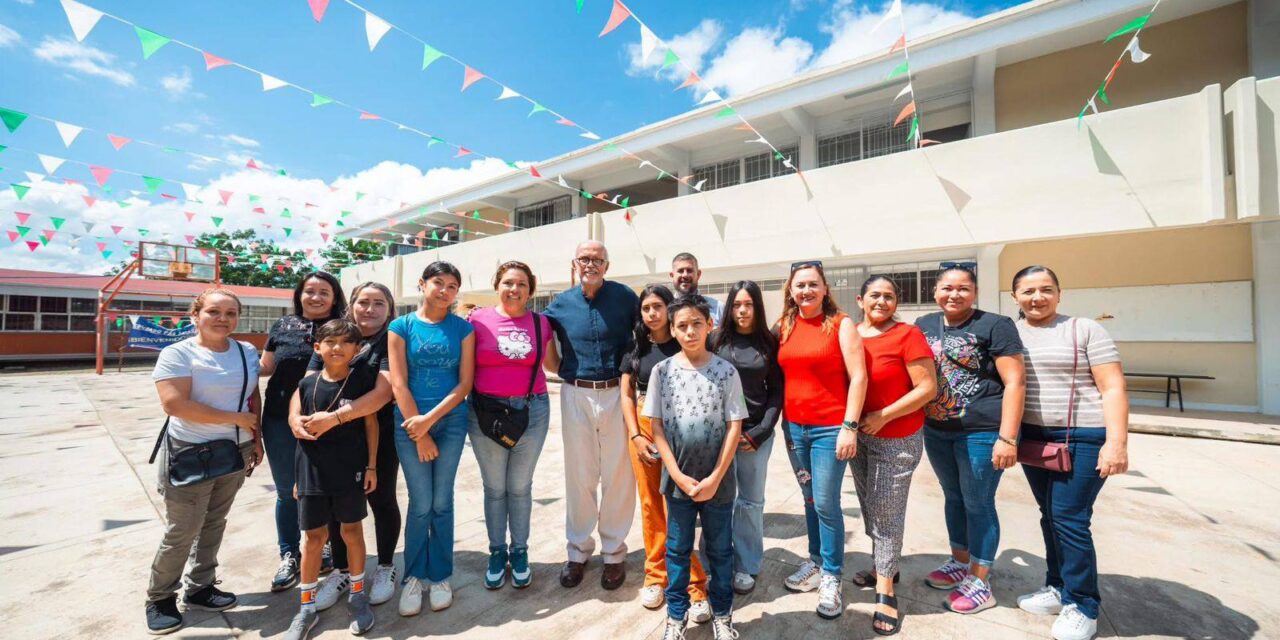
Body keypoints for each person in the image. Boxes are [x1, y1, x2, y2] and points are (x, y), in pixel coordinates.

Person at [1010, 266, 1129, 640]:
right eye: (1028, 291)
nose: (1037, 297)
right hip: (1034, 435)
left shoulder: (1084, 329)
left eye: (1046, 289)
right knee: (1050, 514)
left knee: (1069, 518)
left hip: (1082, 435)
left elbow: (1112, 387)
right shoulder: (1010, 333)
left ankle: (1083, 604)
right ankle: (1057, 586)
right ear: (1015, 297)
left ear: (1060, 294)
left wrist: (1117, 442)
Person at [146, 288, 262, 635]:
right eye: (214, 311)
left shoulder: (246, 351)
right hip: (191, 452)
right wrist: (235, 419)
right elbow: (174, 404)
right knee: (182, 530)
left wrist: (256, 440)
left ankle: (201, 586)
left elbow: (253, 394)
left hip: (235, 451)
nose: (223, 319)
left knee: (214, 522)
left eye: (231, 313)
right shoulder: (178, 353)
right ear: (195, 315)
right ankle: (160, 597)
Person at [915, 264, 1025, 615]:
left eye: (963, 288)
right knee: (953, 497)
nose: (954, 294)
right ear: (935, 291)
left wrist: (1007, 438)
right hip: (937, 430)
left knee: (978, 502)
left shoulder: (995, 325)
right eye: (947, 288)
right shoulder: (925, 325)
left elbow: (1015, 382)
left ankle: (981, 579)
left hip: (982, 432)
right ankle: (960, 562)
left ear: (974, 293)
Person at [645, 297, 747, 640]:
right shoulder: (663, 372)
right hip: (677, 482)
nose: (690, 331)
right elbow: (657, 426)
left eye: (696, 324)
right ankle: (676, 616)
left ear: (710, 325)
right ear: (672, 330)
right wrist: (674, 473)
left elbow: (734, 426)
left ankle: (722, 614)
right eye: (682, 326)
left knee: (720, 549)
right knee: (677, 548)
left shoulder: (725, 371)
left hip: (718, 483)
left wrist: (716, 476)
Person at [543, 240, 639, 591]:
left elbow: (641, 337)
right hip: (575, 393)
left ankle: (614, 553)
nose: (590, 264)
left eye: (597, 259)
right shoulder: (559, 305)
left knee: (618, 474)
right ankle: (578, 551)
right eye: (584, 258)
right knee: (579, 475)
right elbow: (545, 349)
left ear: (606, 265)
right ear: (575, 263)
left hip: (617, 393)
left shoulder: (626, 297)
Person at [775, 260, 868, 619]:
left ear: (825, 288)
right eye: (800, 285)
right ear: (791, 290)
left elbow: (858, 378)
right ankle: (815, 562)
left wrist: (850, 425)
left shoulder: (842, 325)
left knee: (827, 502)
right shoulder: (783, 326)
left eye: (813, 284)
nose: (806, 291)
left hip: (831, 429)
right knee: (810, 499)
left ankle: (832, 575)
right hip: (794, 429)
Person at [298, 283, 398, 609]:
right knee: (335, 510)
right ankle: (341, 571)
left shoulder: (391, 340)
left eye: (378, 303)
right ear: (351, 305)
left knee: (381, 499)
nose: (370, 309)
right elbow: (306, 384)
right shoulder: (335, 336)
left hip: (375, 433)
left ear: (389, 309)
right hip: (330, 442)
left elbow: (382, 394)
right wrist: (292, 420)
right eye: (363, 302)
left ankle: (384, 566)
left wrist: (335, 418)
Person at [848, 276, 938, 636]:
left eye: (889, 296)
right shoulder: (851, 334)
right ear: (860, 300)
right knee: (870, 505)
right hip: (859, 436)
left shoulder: (907, 335)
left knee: (886, 510)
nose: (882, 301)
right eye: (875, 295)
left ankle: (885, 588)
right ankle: (885, 564)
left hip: (896, 437)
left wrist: (883, 415)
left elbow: (927, 388)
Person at [387, 261, 475, 616]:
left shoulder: (463, 329)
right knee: (420, 501)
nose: (445, 291)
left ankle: (440, 574)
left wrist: (431, 421)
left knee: (443, 501)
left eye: (452, 286)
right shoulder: (401, 326)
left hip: (451, 422)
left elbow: (464, 384)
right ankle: (414, 576)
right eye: (439, 283)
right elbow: (397, 383)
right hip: (408, 423)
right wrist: (418, 430)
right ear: (422, 284)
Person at [283, 319, 379, 639]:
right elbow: (301, 435)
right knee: (312, 538)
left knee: (352, 531)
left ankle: (357, 595)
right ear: (317, 347)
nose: (337, 347)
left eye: (345, 342)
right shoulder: (307, 385)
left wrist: (371, 466)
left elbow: (370, 426)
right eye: (330, 341)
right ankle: (306, 607)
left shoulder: (362, 380)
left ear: (356, 349)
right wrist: (299, 477)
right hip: (311, 471)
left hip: (350, 468)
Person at [621, 285, 712, 621]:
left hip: (681, 431)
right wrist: (634, 435)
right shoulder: (636, 348)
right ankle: (655, 576)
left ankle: (695, 584)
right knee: (650, 505)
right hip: (644, 428)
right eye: (646, 308)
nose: (652, 313)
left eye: (658, 306)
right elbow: (627, 395)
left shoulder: (685, 342)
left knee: (681, 507)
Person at [468, 261, 554, 590]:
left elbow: (554, 364)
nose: (513, 289)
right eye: (507, 282)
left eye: (521, 284)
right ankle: (495, 551)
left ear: (530, 291)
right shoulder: (476, 320)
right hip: (486, 413)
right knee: (494, 488)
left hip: (531, 411)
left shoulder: (541, 323)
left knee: (519, 487)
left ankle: (519, 551)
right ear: (496, 286)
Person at [260, 272, 346, 592]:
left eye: (324, 292)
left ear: (335, 297)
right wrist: (226, 356)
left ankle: (325, 545)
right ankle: (289, 554)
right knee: (287, 491)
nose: (316, 297)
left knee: (328, 488)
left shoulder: (343, 328)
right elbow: (266, 367)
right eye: (309, 291)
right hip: (279, 419)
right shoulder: (282, 326)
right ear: (299, 295)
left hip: (327, 420)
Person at [710, 280, 783, 596]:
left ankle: (747, 565)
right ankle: (717, 561)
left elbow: (777, 392)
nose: (742, 310)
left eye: (748, 304)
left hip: (754, 436)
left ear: (757, 307)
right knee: (718, 501)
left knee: (751, 502)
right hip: (719, 436)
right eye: (737, 304)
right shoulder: (715, 340)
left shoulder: (769, 342)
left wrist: (760, 432)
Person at [670, 252, 723, 321]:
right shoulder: (664, 309)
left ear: (698, 274)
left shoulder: (718, 308)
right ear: (672, 275)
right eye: (680, 271)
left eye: (689, 270)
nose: (685, 275)